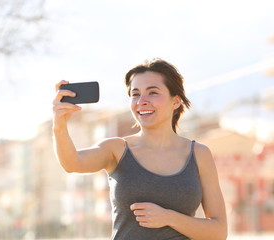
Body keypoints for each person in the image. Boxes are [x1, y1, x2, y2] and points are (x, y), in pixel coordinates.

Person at [52, 58, 227, 239]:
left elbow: (219, 232)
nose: (141, 101)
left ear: (175, 101)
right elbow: (72, 163)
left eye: (152, 93)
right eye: (135, 94)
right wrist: (59, 126)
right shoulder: (116, 149)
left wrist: (168, 217)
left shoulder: (199, 154)